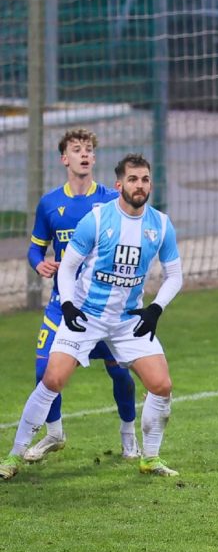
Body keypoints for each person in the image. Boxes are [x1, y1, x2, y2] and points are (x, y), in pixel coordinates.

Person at [1, 154, 183, 480]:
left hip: (128, 320)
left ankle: (150, 458)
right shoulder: (97, 220)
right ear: (119, 185)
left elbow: (175, 276)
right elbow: (68, 266)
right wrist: (69, 305)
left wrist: (156, 308)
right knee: (52, 379)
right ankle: (13, 456)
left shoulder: (161, 224)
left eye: (144, 180)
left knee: (162, 385)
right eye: (132, 179)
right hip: (87, 316)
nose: (139, 186)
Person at [22, 128, 139, 463]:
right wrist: (39, 264)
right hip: (63, 305)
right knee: (44, 371)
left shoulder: (111, 200)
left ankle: (129, 435)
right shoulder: (50, 204)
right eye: (77, 149)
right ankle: (55, 433)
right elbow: (35, 248)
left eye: (89, 149)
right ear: (65, 158)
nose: (84, 154)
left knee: (120, 373)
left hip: (103, 307)